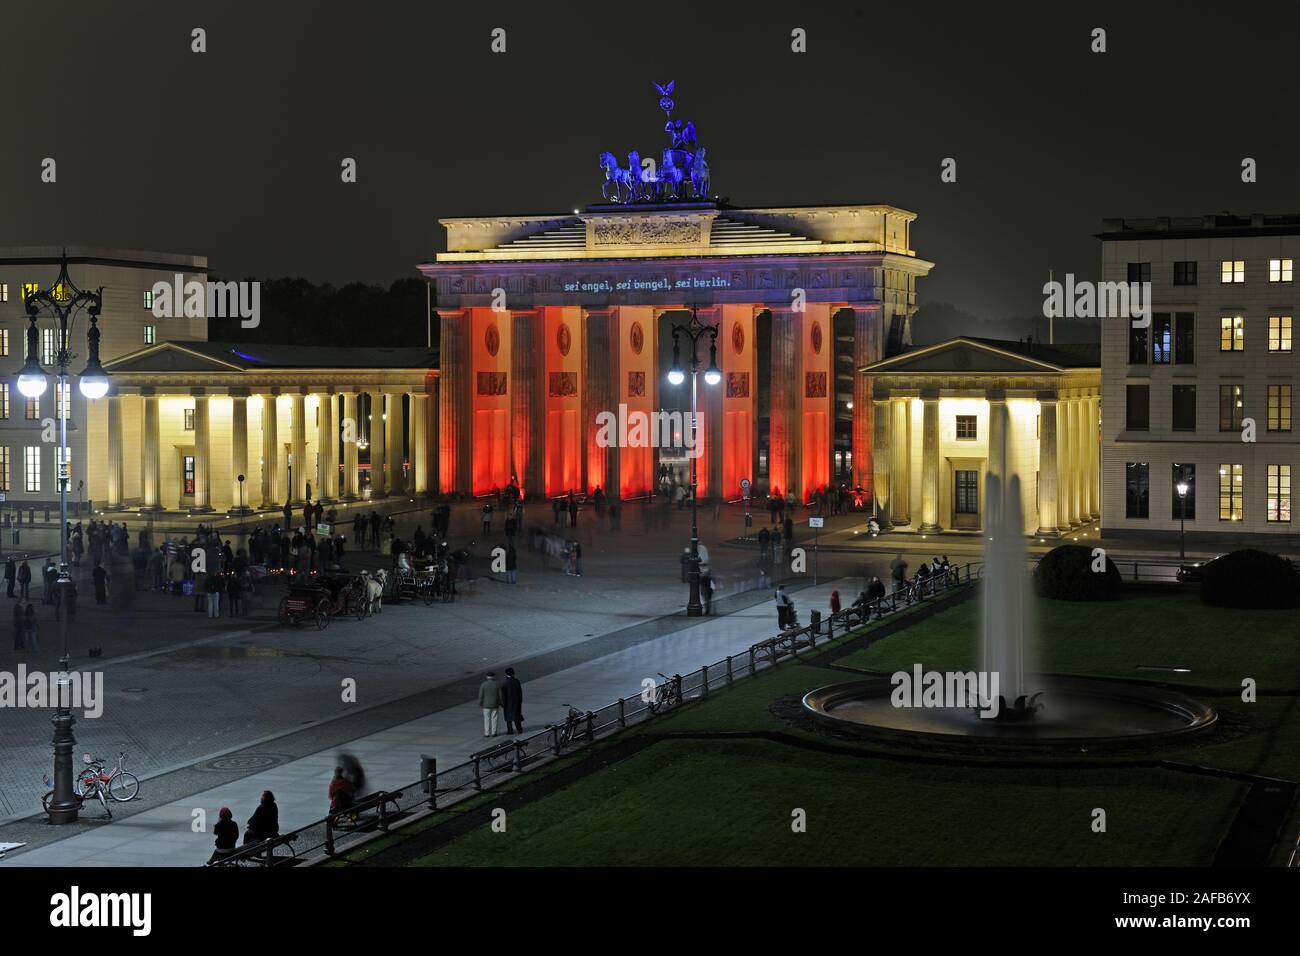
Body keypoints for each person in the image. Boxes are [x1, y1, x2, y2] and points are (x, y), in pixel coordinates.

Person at [500, 667, 524, 735]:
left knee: (508, 718)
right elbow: (520, 692)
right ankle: (519, 729)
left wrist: (503, 704)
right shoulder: (516, 681)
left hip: (508, 704)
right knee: (517, 717)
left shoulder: (505, 683)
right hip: (517, 703)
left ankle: (510, 731)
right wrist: (520, 701)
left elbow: (503, 695)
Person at [478, 672, 502, 737]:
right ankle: (494, 733)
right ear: (494, 676)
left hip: (486, 705)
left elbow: (481, 695)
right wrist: (501, 703)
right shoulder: (497, 684)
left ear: (487, 677)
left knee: (486, 719)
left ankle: (487, 733)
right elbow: (500, 695)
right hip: (495, 704)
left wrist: (480, 703)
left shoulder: (484, 684)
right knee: (494, 718)